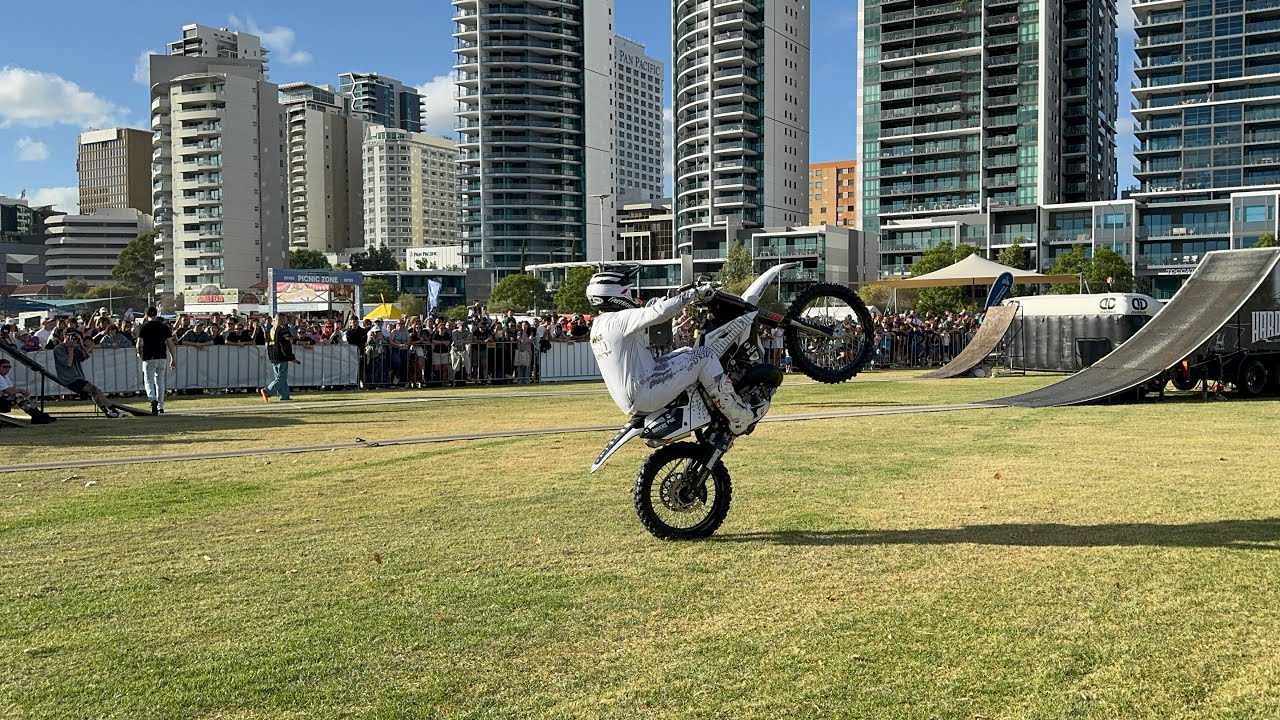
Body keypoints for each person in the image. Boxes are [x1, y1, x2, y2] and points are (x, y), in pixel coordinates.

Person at [586, 268, 755, 435]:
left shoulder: (600, 325)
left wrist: (665, 301)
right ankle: (738, 416)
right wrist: (695, 293)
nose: (630, 294)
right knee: (704, 355)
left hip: (633, 395)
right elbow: (659, 313)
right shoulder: (619, 319)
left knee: (688, 352)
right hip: (644, 390)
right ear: (616, 292)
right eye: (627, 290)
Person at [53, 331, 122, 418]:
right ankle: (112, 410)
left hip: (78, 377)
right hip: (68, 378)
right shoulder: (58, 349)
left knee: (95, 391)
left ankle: (108, 412)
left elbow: (86, 356)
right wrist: (70, 349)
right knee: (94, 390)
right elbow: (68, 363)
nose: (72, 340)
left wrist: (81, 343)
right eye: (71, 337)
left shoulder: (76, 347)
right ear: (65, 336)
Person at [136, 307, 177, 415]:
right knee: (160, 381)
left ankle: (152, 399)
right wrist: (173, 358)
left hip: (149, 357)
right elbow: (170, 343)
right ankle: (161, 405)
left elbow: (139, 343)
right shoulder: (164, 327)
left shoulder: (144, 327)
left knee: (148, 380)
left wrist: (139, 352)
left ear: (146, 315)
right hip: (162, 356)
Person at [0, 358, 55, 424]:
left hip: (2, 399)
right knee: (19, 396)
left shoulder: (4, 377)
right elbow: (10, 391)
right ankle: (37, 416)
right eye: (5, 366)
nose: (7, 369)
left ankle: (38, 414)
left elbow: (12, 389)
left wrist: (22, 392)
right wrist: (21, 390)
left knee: (23, 396)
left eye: (9, 367)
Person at [259, 314, 301, 402]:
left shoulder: (271, 329)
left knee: (279, 377)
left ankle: (284, 396)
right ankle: (267, 390)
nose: (287, 320)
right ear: (283, 319)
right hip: (281, 356)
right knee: (281, 377)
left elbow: (268, 343)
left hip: (273, 355)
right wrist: (291, 357)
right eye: (286, 318)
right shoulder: (283, 329)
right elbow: (286, 345)